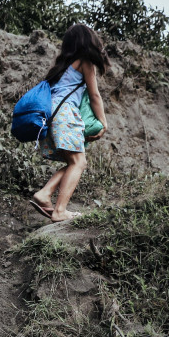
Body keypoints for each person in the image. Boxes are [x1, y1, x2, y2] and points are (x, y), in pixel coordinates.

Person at [29, 23, 110, 222]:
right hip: (65, 116)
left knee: (74, 162)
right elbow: (94, 95)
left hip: (50, 116)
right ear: (87, 41)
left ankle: (45, 193)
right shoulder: (84, 62)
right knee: (79, 162)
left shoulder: (60, 68)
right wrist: (103, 123)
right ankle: (60, 211)